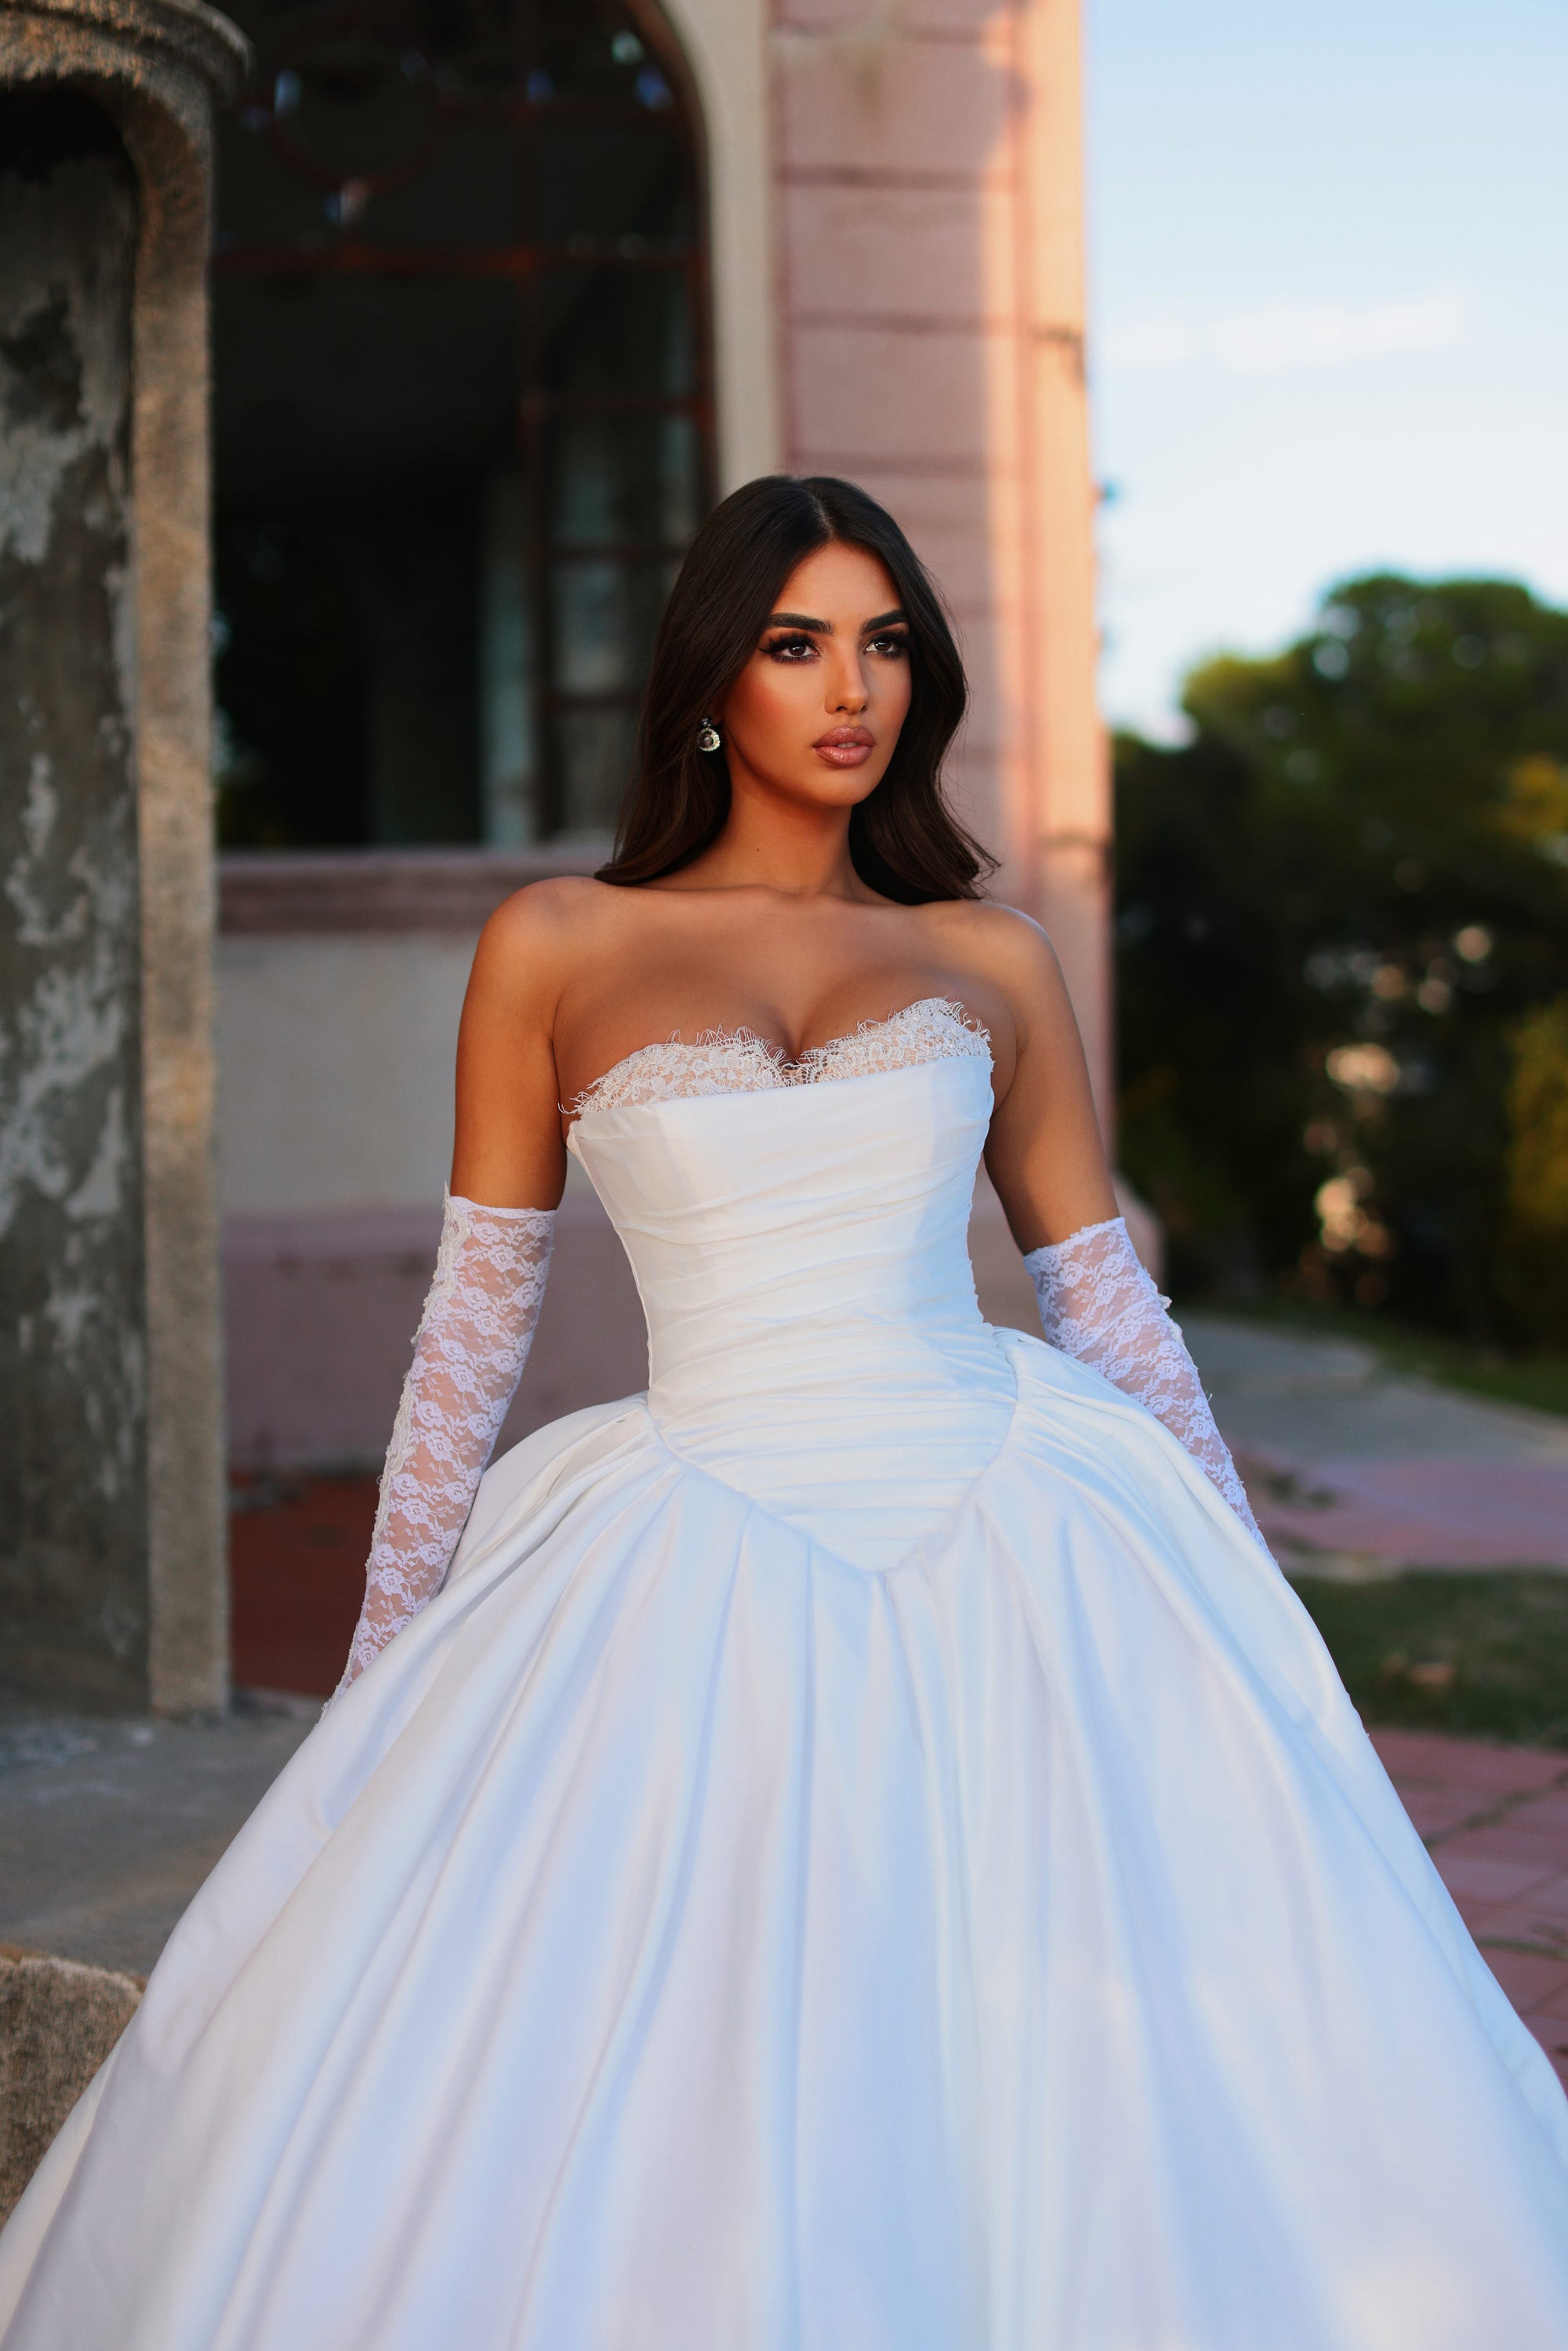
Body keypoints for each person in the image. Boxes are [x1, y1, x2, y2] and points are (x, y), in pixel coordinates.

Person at [2, 476, 1566, 2349]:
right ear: (708, 679)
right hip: (693, 1509)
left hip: (1008, 1501)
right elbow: (472, 1325)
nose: (851, 689)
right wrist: (383, 1673)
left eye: (885, 643)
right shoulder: (556, 942)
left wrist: (1244, 1598)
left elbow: (1102, 1296)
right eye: (796, 642)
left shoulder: (987, 953)